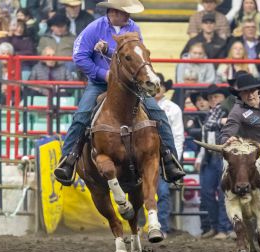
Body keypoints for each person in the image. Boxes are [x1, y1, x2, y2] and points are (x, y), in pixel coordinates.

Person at [53, 0, 185, 186]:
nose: (129, 16)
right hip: (100, 83)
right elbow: (79, 56)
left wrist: (108, 49)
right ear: (113, 12)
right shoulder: (94, 28)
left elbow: (135, 54)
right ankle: (69, 159)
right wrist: (104, 74)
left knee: (158, 114)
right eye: (125, 12)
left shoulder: (133, 28)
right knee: (82, 115)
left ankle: (170, 159)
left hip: (130, 85)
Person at [196, 84, 233, 239]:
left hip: (224, 157)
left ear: (224, 99)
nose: (213, 100)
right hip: (210, 157)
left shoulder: (228, 113)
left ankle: (224, 228)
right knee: (207, 193)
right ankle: (216, 227)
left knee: (224, 192)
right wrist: (199, 158)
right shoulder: (210, 115)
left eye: (217, 97)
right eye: (210, 97)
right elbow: (206, 139)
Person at [154, 73, 185, 238]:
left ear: (165, 88)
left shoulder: (173, 109)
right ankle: (143, 227)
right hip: (145, 155)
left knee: (163, 192)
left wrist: (174, 159)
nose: (157, 88)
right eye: (154, 84)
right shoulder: (140, 105)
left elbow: (178, 136)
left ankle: (162, 227)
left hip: (163, 156)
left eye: (160, 85)